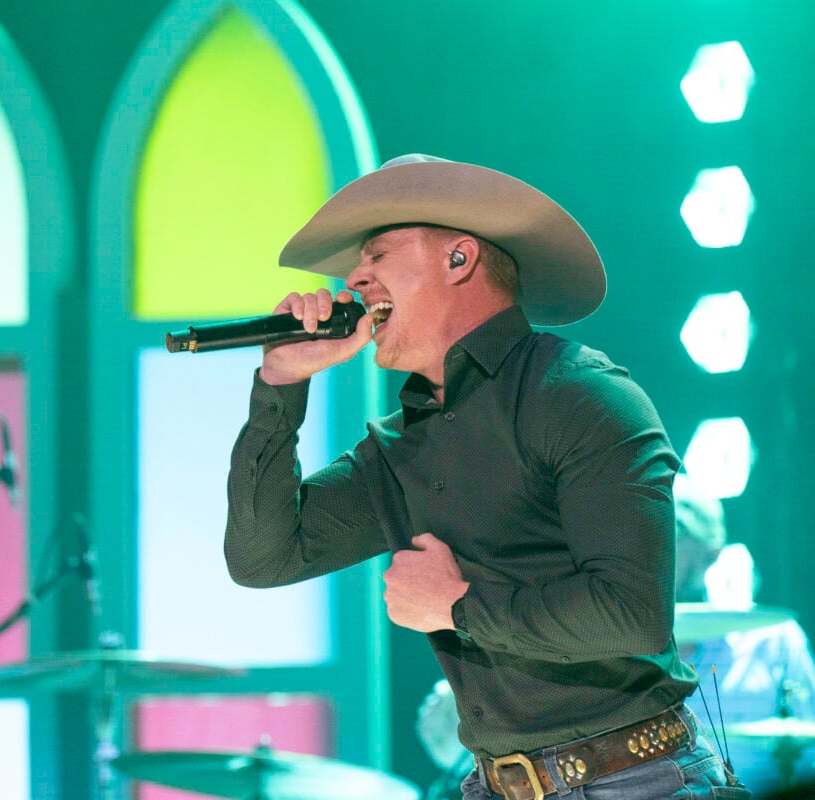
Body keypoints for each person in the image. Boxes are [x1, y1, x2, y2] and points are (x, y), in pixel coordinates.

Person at [223, 154, 749, 799]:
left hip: (638, 781)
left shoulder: (580, 394)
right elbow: (262, 558)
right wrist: (280, 385)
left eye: (378, 254)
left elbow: (632, 615)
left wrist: (457, 606)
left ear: (458, 258)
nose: (355, 279)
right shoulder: (397, 447)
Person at [672, 476, 815, 795]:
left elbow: (810, 758)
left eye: (674, 531)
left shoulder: (772, 638)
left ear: (711, 550)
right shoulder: (606, 641)